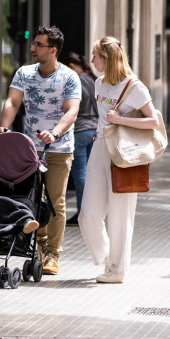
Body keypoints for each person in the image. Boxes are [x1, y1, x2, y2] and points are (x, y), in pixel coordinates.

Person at [0, 26, 81, 275]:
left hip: (59, 149)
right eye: (33, 43)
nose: (33, 48)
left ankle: (53, 253)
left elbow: (72, 111)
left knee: (55, 201)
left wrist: (54, 133)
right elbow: (13, 101)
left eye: (38, 45)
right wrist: (4, 127)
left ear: (52, 50)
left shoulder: (69, 77)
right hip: (30, 150)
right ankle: (38, 248)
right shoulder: (24, 73)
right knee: (33, 199)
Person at [78, 37, 159, 283]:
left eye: (95, 56)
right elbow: (103, 118)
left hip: (124, 153)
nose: (92, 61)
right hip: (100, 147)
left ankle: (117, 270)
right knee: (87, 214)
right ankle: (106, 256)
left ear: (107, 59)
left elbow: (154, 122)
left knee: (120, 215)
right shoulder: (99, 83)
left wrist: (120, 120)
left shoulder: (135, 87)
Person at [59, 53, 99, 226]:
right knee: (92, 174)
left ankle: (83, 214)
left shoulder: (76, 81)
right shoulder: (93, 80)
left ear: (71, 67)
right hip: (95, 131)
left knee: (80, 175)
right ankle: (94, 212)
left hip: (80, 132)